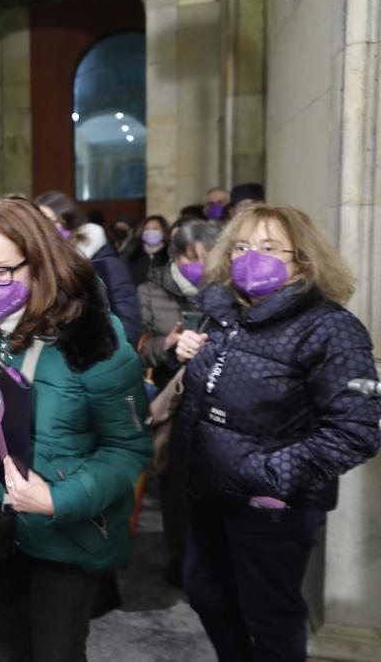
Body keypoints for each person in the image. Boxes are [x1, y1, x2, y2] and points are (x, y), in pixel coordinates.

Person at [0, 195, 152, 661]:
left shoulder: (95, 338)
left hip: (65, 530)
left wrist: (59, 499)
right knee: (6, 650)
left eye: (0, 270)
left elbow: (128, 448)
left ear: (38, 262)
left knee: (58, 652)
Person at [172, 204, 380, 662]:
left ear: (301, 258)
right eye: (242, 246)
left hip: (272, 506)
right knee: (206, 595)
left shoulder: (331, 328)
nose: (251, 257)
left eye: (268, 248)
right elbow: (211, 387)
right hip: (208, 492)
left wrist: (269, 475)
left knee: (269, 615)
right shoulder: (222, 311)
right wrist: (183, 354)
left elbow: (357, 428)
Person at [135, 219, 222, 587]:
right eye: (191, 257)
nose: (198, 265)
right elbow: (137, 346)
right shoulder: (150, 290)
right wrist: (167, 343)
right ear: (176, 256)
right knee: (174, 484)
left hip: (213, 398)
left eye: (207, 257)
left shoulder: (226, 291)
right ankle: (178, 556)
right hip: (173, 395)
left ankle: (207, 558)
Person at [33, 190, 143, 344]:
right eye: (40, 224)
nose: (47, 229)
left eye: (52, 221)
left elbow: (129, 323)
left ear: (69, 220)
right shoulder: (41, 265)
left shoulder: (106, 263)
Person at [121, 215, 172, 286]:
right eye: (147, 229)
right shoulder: (132, 253)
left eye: (155, 229)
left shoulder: (171, 255)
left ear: (163, 231)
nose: (150, 232)